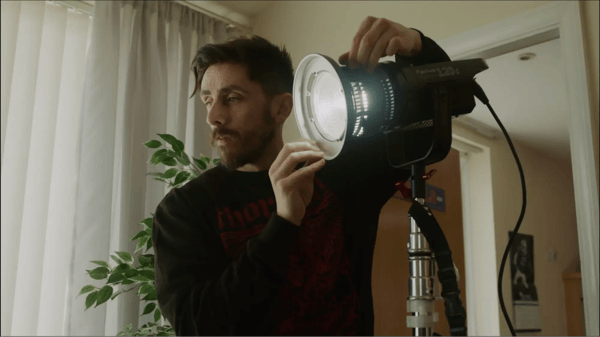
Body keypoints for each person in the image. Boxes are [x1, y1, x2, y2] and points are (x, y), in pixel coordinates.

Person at [152, 16, 452, 336]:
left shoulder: (343, 173)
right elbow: (195, 325)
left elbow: (436, 119)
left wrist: (417, 46)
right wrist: (282, 223)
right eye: (208, 100)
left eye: (232, 98)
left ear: (281, 109)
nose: (214, 117)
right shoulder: (184, 208)